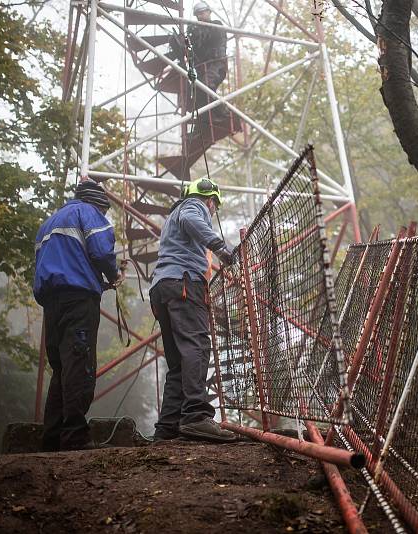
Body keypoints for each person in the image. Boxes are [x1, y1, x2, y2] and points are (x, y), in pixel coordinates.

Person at [34, 180, 122, 451]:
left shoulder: (48, 223)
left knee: (61, 368)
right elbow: (100, 250)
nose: (104, 216)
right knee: (80, 364)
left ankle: (52, 438)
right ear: (100, 203)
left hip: (52, 301)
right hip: (79, 300)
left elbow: (61, 260)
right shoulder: (89, 212)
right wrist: (114, 273)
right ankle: (74, 436)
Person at [150, 176, 236, 442]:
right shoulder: (193, 206)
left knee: (178, 362)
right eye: (214, 206)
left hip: (164, 287)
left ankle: (168, 427)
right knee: (196, 346)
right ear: (210, 200)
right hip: (184, 284)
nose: (213, 211)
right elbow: (192, 220)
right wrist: (221, 248)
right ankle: (196, 416)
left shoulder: (173, 216)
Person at [171, 1, 228, 131]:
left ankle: (222, 113)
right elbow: (191, 49)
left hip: (216, 64)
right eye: (198, 15)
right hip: (202, 67)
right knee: (198, 94)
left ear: (209, 12)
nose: (200, 17)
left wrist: (195, 30)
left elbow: (209, 37)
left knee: (206, 86)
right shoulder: (196, 29)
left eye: (203, 13)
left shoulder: (216, 26)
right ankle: (204, 123)